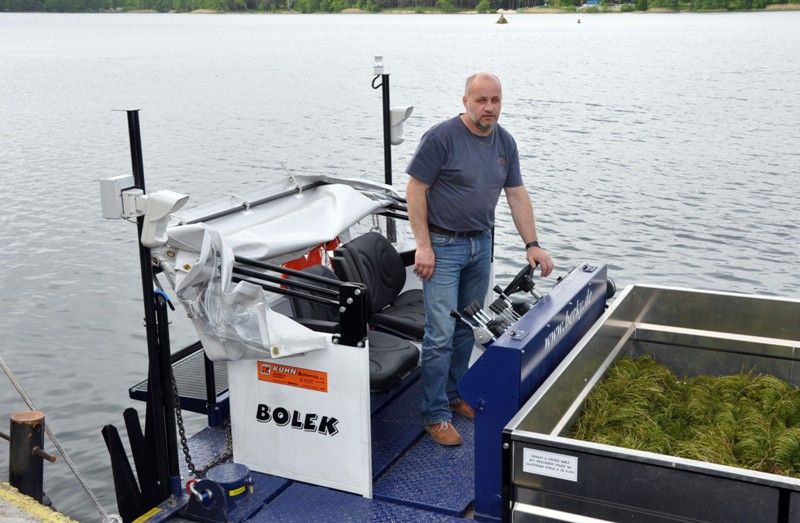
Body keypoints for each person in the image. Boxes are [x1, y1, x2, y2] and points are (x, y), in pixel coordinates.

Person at [405, 72, 554, 446]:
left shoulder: (505, 142)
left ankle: (456, 395)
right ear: (465, 101)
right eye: (481, 100)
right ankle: (434, 413)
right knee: (439, 333)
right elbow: (415, 189)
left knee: (465, 327)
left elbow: (516, 194)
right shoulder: (441, 138)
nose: (489, 107)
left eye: (495, 100)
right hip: (442, 246)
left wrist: (532, 243)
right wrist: (422, 245)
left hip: (480, 245)